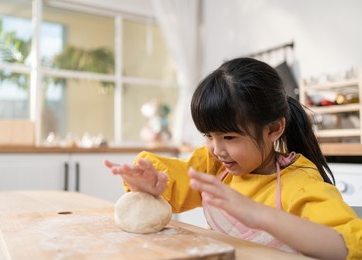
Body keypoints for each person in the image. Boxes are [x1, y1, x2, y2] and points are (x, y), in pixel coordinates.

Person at [104, 57, 361, 260]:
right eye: (208, 135)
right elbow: (177, 187)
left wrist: (260, 215)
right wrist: (150, 188)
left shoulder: (301, 184)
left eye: (229, 137)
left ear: (273, 129)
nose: (217, 149)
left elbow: (345, 247)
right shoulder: (215, 164)